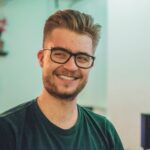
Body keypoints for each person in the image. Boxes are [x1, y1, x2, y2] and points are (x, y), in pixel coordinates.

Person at [0, 9, 124, 150]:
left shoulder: (105, 132)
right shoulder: (7, 131)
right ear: (41, 59)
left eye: (82, 58)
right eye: (60, 54)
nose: (71, 67)